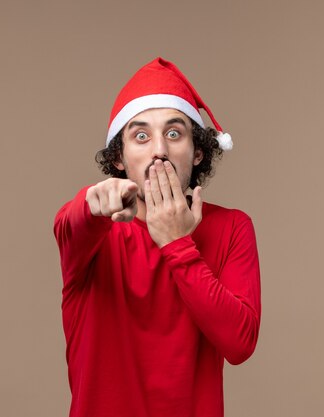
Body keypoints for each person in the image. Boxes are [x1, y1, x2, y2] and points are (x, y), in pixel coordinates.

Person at [53, 57, 261, 417]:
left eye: (174, 133)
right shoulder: (94, 227)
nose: (159, 150)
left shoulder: (232, 228)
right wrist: (92, 203)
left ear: (198, 153)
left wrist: (177, 244)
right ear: (119, 158)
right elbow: (70, 225)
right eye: (141, 136)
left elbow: (239, 344)